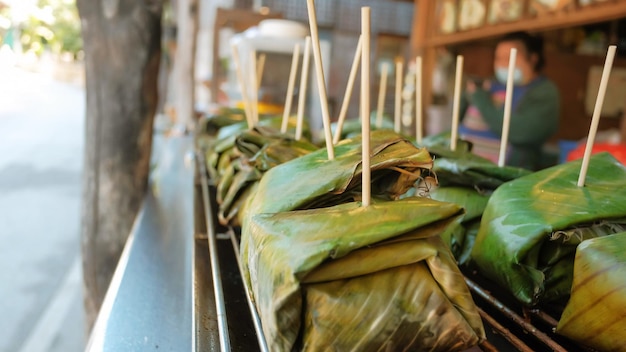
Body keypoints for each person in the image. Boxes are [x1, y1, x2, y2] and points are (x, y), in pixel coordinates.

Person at [460, 31, 560, 170]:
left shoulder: (544, 92)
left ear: (532, 58)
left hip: (505, 179)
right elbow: (458, 117)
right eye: (498, 58)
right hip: (465, 168)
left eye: (508, 58)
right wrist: (466, 96)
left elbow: (522, 132)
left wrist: (482, 101)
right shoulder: (490, 83)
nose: (501, 64)